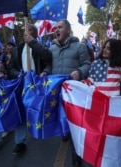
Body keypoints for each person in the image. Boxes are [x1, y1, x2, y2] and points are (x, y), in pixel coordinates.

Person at [37, 19, 91, 167]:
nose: (56, 30)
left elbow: (87, 64)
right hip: (57, 92)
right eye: (55, 28)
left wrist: (80, 72)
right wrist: (45, 72)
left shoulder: (80, 47)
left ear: (67, 30)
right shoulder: (52, 49)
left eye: (60, 27)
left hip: (73, 93)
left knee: (75, 123)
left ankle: (76, 155)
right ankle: (64, 132)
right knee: (61, 116)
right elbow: (50, 66)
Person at [6, 24, 52, 154]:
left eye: (30, 32)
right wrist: (19, 75)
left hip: (37, 86)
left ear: (36, 35)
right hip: (22, 85)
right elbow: (10, 68)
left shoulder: (40, 47)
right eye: (25, 32)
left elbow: (48, 59)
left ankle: (41, 131)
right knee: (21, 112)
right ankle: (20, 142)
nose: (26, 34)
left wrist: (32, 42)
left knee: (38, 111)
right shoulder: (17, 49)